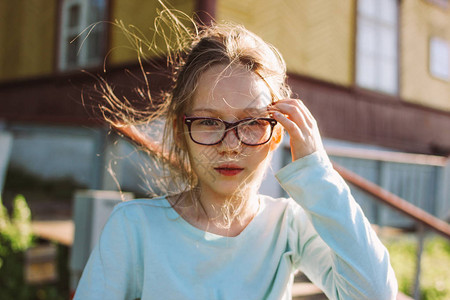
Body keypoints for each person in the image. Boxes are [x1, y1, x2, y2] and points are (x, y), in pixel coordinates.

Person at [74, 15, 398, 300]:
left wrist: (317, 172)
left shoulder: (289, 226)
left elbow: (375, 294)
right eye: (209, 122)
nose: (230, 145)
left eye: (252, 123)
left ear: (276, 135)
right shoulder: (133, 227)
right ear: (179, 130)